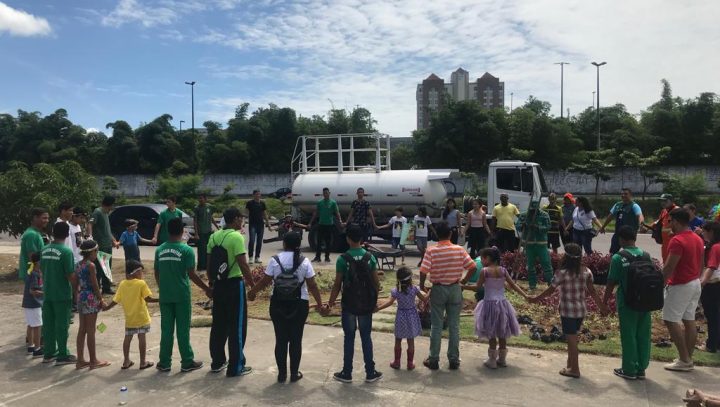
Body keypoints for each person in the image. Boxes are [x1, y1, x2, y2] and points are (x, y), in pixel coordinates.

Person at [247, 232, 326, 383]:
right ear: (299, 245)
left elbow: (265, 281)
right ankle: (294, 374)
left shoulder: (275, 260)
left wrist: (252, 292)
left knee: (281, 340)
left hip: (278, 304)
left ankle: (282, 374)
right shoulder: (305, 261)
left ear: (284, 244)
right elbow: (312, 285)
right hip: (299, 304)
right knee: (296, 340)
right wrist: (320, 304)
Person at [529, 243, 607, 378]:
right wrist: (602, 307)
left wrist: (535, 299)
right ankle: (570, 365)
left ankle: (575, 370)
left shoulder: (562, 273)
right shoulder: (587, 271)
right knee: (573, 338)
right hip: (581, 310)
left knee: (572, 341)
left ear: (567, 256)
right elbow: (593, 292)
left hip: (567, 311)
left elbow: (550, 290)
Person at [154, 217, 211, 373]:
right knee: (183, 330)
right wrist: (206, 288)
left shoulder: (160, 250)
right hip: (181, 295)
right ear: (182, 231)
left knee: (166, 330)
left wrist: (162, 287)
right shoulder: (186, 250)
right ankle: (187, 361)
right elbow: (192, 274)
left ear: (168, 231)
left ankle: (164, 362)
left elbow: (157, 272)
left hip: (165, 296)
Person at [328, 225, 383, 383]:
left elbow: (337, 285)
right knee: (366, 337)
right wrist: (374, 302)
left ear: (347, 239)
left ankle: (347, 372)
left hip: (349, 304)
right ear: (361, 239)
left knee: (349, 338)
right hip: (366, 304)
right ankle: (370, 372)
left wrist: (330, 303)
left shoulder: (342, 259)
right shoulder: (370, 257)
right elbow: (376, 283)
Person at [419, 221, 477, 371]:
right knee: (454, 326)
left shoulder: (431, 251)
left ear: (436, 235)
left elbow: (423, 271)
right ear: (451, 234)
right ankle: (453, 359)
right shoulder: (459, 249)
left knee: (436, 325)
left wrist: (421, 285)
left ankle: (433, 359)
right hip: (455, 288)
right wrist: (463, 281)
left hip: (438, 289)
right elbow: (472, 266)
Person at [205, 208, 255, 377]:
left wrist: (211, 284)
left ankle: (217, 362)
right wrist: (253, 286)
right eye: (241, 218)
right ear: (235, 219)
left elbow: (209, 264)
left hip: (218, 285)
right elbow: (243, 264)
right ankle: (236, 366)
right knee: (237, 326)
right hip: (234, 285)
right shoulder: (236, 237)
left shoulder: (213, 237)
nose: (243, 221)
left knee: (218, 324)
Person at [603, 226, 653, 380]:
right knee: (643, 335)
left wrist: (604, 302)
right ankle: (641, 369)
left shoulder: (618, 258)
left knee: (629, 335)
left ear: (621, 239)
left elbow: (611, 283)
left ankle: (629, 369)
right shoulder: (646, 255)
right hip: (646, 302)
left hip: (627, 303)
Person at [661, 208, 704, 371]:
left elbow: (669, 267)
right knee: (689, 319)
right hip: (694, 282)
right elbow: (701, 264)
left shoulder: (677, 240)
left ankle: (684, 360)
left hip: (681, 285)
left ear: (677, 222)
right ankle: (687, 359)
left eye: (670, 221)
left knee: (670, 320)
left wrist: (660, 284)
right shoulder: (697, 238)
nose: (669, 224)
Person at [471, 247, 526, 369]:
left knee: (491, 332)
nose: (481, 261)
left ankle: (492, 360)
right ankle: (502, 359)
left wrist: (462, 286)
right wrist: (525, 295)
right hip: (502, 304)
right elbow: (513, 285)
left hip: (489, 304)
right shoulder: (503, 270)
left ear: (488, 258)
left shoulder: (485, 271)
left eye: (482, 258)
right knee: (502, 332)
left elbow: (477, 287)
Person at [104, 259, 158, 370]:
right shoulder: (141, 283)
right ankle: (143, 362)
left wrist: (106, 308)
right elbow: (148, 298)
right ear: (135, 272)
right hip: (142, 317)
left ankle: (126, 361)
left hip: (130, 318)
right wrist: (161, 300)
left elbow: (115, 300)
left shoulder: (122, 284)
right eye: (141, 272)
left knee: (128, 338)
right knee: (141, 337)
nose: (142, 274)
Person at [375, 266, 428, 370]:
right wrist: (430, 291)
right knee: (410, 340)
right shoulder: (414, 289)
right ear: (410, 279)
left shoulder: (396, 291)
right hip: (412, 316)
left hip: (400, 317)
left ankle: (397, 362)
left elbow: (390, 302)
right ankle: (410, 363)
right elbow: (424, 299)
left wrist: (378, 308)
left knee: (398, 339)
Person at [41, 222, 78, 366]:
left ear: (53, 232)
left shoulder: (44, 250)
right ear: (67, 234)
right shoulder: (66, 252)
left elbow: (42, 270)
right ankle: (62, 354)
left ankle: (49, 353)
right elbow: (70, 275)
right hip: (62, 294)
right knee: (62, 325)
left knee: (48, 325)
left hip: (47, 293)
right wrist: (76, 291)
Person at [74, 240, 110, 370]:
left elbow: (76, 283)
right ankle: (93, 360)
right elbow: (95, 285)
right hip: (90, 297)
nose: (97, 253)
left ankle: (80, 360)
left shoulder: (78, 264)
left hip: (81, 296)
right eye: (96, 251)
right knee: (91, 330)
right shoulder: (91, 266)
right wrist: (101, 300)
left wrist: (76, 297)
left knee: (82, 329)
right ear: (91, 252)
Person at [516, 200, 553, 290]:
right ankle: (532, 285)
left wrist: (538, 227)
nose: (533, 212)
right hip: (529, 244)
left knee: (546, 264)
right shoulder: (524, 215)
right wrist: (523, 226)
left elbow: (548, 226)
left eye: (535, 210)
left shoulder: (544, 215)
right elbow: (518, 226)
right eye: (532, 210)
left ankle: (551, 284)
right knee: (530, 266)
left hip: (541, 244)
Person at [87, 196, 119, 294]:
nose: (113, 207)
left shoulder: (106, 214)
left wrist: (114, 240)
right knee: (99, 268)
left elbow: (107, 230)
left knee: (107, 267)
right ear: (110, 204)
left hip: (107, 245)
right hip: (100, 245)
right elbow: (90, 224)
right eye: (113, 205)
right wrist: (90, 237)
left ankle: (106, 288)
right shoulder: (97, 212)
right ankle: (95, 290)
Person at [600, 188, 644, 255]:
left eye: (625, 194)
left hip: (629, 235)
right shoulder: (617, 205)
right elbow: (610, 216)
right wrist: (603, 227)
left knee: (629, 253)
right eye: (622, 194)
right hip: (618, 234)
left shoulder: (634, 206)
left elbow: (640, 215)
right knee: (612, 253)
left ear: (630, 195)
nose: (623, 195)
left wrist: (641, 225)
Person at [699, 221, 720, 353]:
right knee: (716, 315)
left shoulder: (715, 247)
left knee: (712, 316)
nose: (703, 233)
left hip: (712, 284)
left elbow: (711, 267)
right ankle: (716, 343)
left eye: (704, 231)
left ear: (711, 232)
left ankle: (711, 345)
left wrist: (702, 282)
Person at [643, 193, 679, 262]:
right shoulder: (664, 211)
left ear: (671, 201)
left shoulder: (677, 211)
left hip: (674, 241)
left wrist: (673, 231)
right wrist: (648, 227)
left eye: (665, 201)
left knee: (674, 262)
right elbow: (658, 221)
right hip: (665, 242)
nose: (663, 203)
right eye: (661, 201)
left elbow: (681, 225)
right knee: (665, 260)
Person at [309, 187, 342, 263]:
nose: (325, 194)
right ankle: (318, 257)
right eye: (324, 193)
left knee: (328, 242)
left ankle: (327, 257)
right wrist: (310, 222)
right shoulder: (320, 202)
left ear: (329, 193)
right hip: (321, 224)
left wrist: (340, 221)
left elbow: (337, 212)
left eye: (327, 193)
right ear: (323, 194)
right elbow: (316, 213)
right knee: (319, 241)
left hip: (329, 225)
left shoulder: (333, 202)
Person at [22, 252, 44, 358]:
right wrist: (45, 293)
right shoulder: (35, 274)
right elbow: (32, 291)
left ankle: (31, 346)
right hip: (34, 303)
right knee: (37, 326)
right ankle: (37, 349)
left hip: (28, 303)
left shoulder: (33, 272)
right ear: (39, 262)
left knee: (30, 324)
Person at [19, 208, 48, 281]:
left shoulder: (36, 233)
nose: (47, 220)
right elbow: (33, 258)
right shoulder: (31, 234)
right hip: (33, 275)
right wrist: (39, 276)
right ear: (35, 218)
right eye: (44, 218)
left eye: (47, 218)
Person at [194, 193, 219, 271]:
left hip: (208, 232)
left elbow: (211, 217)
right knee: (201, 250)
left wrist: (217, 227)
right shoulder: (197, 208)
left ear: (205, 199)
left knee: (208, 249)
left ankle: (207, 266)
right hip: (201, 232)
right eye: (199, 198)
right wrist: (196, 233)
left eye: (201, 198)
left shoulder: (209, 207)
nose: (200, 200)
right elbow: (195, 221)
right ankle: (200, 267)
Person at [246, 189, 271, 264]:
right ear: (253, 195)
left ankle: (257, 257)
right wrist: (242, 223)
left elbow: (265, 214)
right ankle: (250, 257)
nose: (258, 195)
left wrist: (268, 224)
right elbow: (246, 213)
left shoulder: (262, 203)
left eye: (259, 194)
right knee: (252, 240)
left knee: (259, 242)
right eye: (256, 194)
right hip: (252, 225)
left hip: (260, 225)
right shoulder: (250, 203)